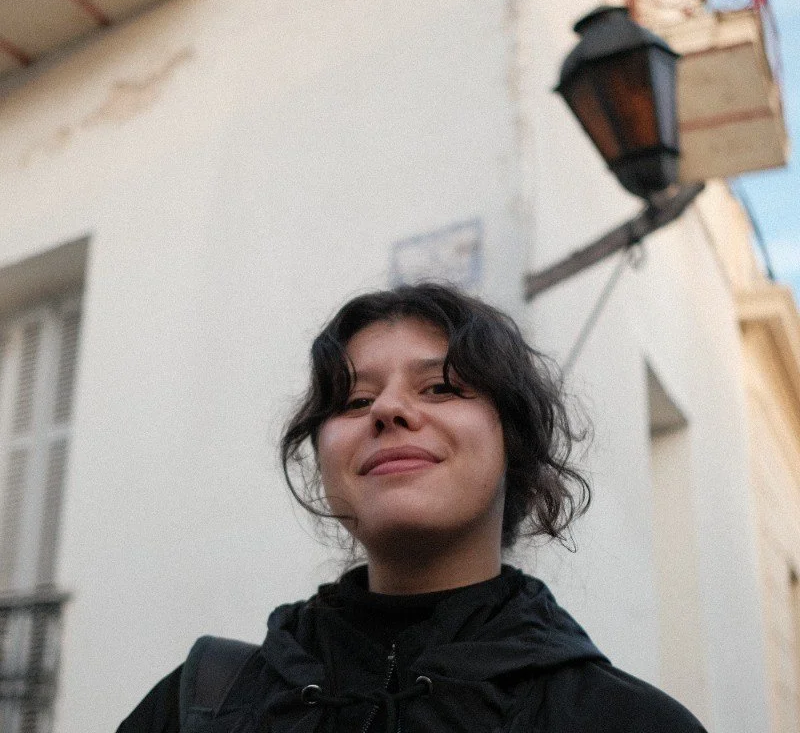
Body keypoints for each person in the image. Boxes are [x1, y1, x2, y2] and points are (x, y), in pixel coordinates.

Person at [118, 282, 706, 733]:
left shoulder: (630, 722)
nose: (388, 410)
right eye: (355, 399)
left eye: (440, 388)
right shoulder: (200, 706)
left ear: (513, 442)